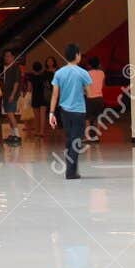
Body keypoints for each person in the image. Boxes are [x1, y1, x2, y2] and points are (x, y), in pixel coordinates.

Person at [49, 45, 93, 180]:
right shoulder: (83, 73)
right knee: (76, 140)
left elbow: (55, 95)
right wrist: (81, 90)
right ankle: (71, 172)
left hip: (64, 111)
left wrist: (51, 113)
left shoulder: (59, 73)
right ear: (77, 55)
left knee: (69, 140)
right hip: (79, 111)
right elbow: (89, 93)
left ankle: (71, 169)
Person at [0, 49, 25, 144]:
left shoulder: (15, 67)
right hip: (6, 94)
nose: (6, 58)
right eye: (5, 56)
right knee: (8, 115)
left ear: (13, 57)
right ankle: (13, 134)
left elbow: (16, 82)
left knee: (10, 114)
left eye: (8, 56)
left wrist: (13, 94)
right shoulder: (7, 67)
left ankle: (17, 135)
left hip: (12, 94)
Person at [86, 56, 107, 132]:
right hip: (100, 98)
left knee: (87, 118)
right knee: (99, 117)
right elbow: (103, 85)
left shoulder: (87, 73)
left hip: (90, 98)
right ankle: (98, 134)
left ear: (89, 65)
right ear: (99, 64)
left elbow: (85, 86)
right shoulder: (102, 73)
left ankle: (87, 135)